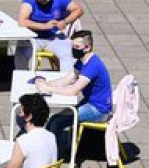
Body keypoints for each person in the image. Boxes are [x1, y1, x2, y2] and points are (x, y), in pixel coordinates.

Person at [35, 29, 113, 160]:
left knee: (57, 122)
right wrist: (47, 83)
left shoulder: (92, 66)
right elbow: (68, 79)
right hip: (91, 102)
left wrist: (47, 88)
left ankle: (52, 156)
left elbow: (73, 90)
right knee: (54, 119)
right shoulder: (82, 60)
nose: (73, 50)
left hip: (99, 109)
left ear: (87, 47)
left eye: (77, 47)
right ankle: (50, 150)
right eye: (72, 46)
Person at [15, 0, 84, 72]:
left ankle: (66, 80)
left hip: (53, 37)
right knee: (21, 52)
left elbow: (79, 9)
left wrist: (65, 21)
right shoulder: (29, 0)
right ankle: (21, 77)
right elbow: (22, 21)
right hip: (34, 37)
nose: (43, 2)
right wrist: (44, 26)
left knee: (67, 52)